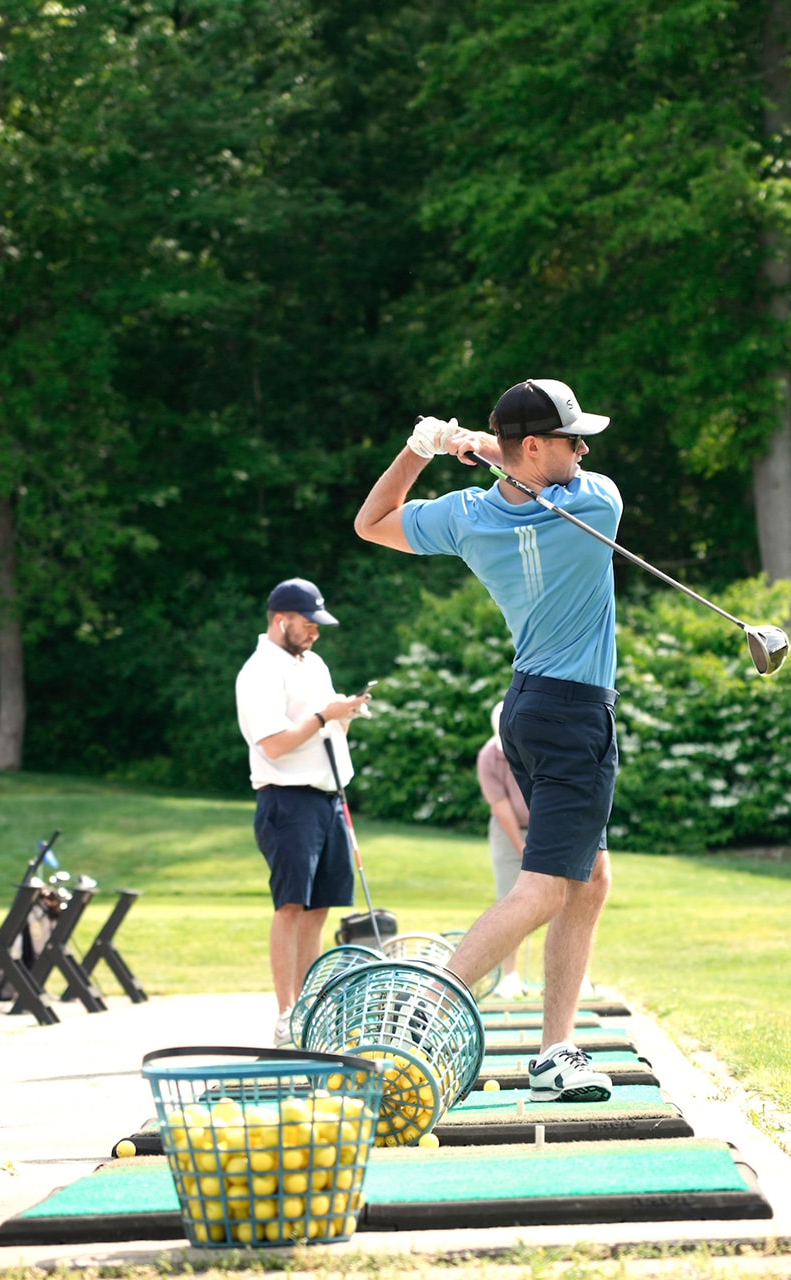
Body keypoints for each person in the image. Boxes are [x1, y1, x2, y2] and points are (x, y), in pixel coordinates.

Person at [355, 377, 620, 1102]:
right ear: (532, 446)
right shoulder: (596, 506)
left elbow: (372, 523)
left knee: (590, 879)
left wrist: (422, 448)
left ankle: (556, 1050)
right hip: (575, 716)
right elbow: (544, 479)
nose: (584, 451)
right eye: (571, 440)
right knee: (544, 890)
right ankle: (421, 1006)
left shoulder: (466, 516)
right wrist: (476, 444)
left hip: (526, 710)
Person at [235, 577, 372, 1046]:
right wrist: (324, 716)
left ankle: (309, 1009)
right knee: (291, 905)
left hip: (328, 797)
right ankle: (286, 1014)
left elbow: (327, 731)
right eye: (308, 624)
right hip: (287, 799)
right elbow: (274, 744)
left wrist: (344, 715)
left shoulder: (313, 663)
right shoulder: (259, 672)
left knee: (319, 907)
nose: (315, 632)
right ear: (281, 620)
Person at [476, 701, 533, 999]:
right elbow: (501, 806)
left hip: (545, 825)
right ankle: (509, 976)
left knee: (563, 897)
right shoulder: (489, 756)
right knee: (510, 899)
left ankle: (575, 976)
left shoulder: (538, 748)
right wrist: (522, 846)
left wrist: (540, 840)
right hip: (506, 829)